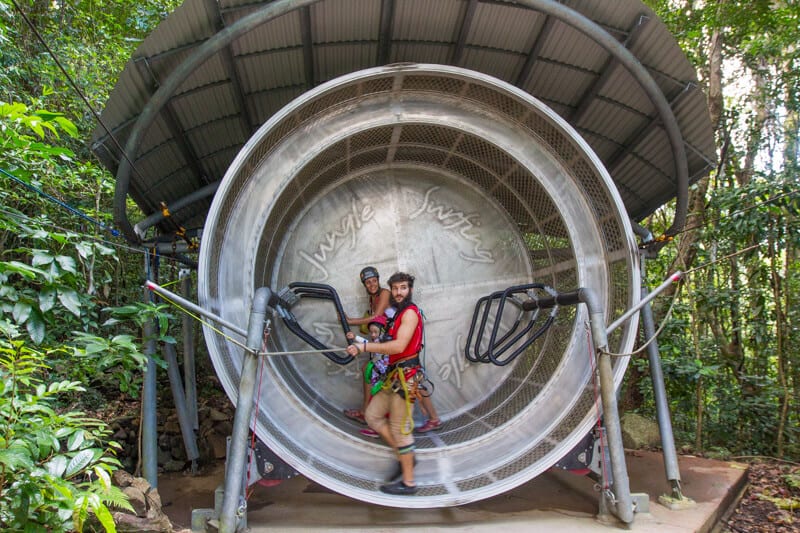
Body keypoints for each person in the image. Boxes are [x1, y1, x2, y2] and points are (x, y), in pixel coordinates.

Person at [345, 272, 423, 495]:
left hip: (405, 378)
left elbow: (398, 347)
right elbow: (384, 341)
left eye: (403, 288)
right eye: (396, 288)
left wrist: (365, 348)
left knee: (400, 430)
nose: (399, 292)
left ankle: (409, 483)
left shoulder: (409, 313)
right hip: (393, 376)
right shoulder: (396, 314)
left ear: (410, 290)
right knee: (372, 416)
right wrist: (359, 342)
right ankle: (404, 456)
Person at [343, 266, 391, 427]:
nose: (372, 285)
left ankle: (369, 414)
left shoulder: (385, 293)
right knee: (368, 371)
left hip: (394, 342)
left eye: (374, 281)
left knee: (371, 371)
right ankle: (367, 412)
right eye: (368, 283)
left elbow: (377, 316)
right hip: (384, 342)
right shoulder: (372, 298)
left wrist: (351, 321)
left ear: (378, 280)